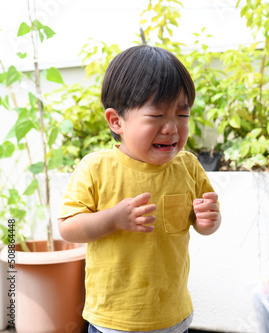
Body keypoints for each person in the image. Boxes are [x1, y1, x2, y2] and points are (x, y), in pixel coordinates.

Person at [58, 45, 221, 333]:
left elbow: (202, 225)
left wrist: (210, 220)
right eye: (156, 116)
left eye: (182, 116)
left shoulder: (188, 166)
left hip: (172, 314)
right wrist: (113, 219)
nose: (172, 127)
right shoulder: (96, 168)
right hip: (114, 319)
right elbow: (69, 227)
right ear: (116, 121)